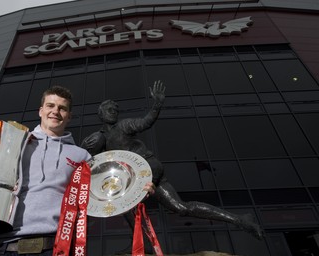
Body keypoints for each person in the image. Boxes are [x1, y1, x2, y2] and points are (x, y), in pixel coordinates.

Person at [0, 85, 155, 256]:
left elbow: (100, 197)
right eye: (50, 106)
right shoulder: (13, 140)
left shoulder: (82, 156)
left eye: (62, 108)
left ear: (69, 116)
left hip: (55, 252)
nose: (55, 111)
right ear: (40, 110)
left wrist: (135, 191)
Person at [81, 80, 263, 240]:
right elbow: (93, 162)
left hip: (149, 167)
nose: (113, 112)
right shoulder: (99, 138)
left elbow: (145, 122)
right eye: (109, 109)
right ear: (100, 113)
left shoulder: (124, 125)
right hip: (135, 177)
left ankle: (143, 244)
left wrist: (157, 105)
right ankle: (241, 220)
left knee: (127, 203)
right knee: (180, 208)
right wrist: (84, 147)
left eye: (115, 109)